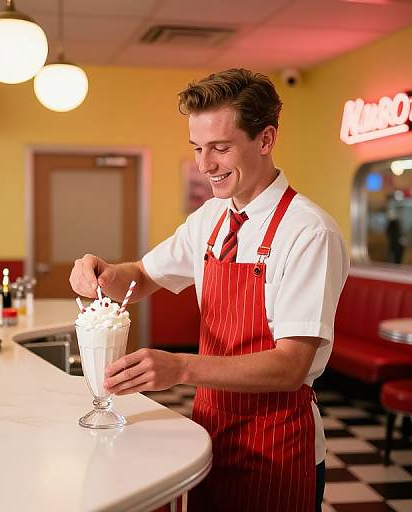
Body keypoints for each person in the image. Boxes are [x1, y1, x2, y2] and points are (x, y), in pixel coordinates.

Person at [69, 68, 349, 512]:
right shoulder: (211, 219)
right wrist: (102, 272)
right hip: (209, 428)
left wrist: (179, 367)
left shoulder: (308, 232)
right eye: (198, 148)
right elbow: (143, 275)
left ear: (265, 139)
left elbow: (291, 366)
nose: (205, 165)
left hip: (276, 440)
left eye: (220, 147)